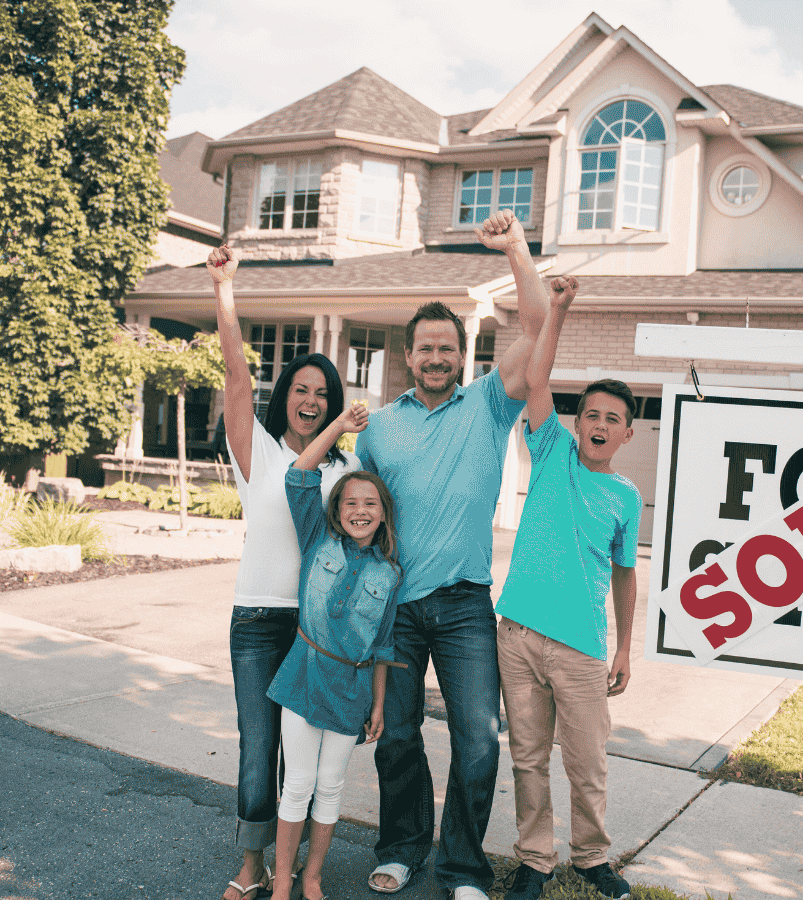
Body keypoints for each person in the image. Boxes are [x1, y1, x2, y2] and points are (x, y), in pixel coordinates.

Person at [354, 210, 558, 900]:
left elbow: (538, 327)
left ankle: (464, 869)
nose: (436, 358)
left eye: (447, 348)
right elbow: (359, 518)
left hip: (467, 605)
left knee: (478, 740)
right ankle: (402, 848)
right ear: (408, 356)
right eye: (425, 349)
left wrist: (517, 249)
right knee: (396, 737)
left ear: (461, 356)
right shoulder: (379, 429)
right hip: (396, 607)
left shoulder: (490, 405)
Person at [209, 245, 361, 900]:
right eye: (301, 389)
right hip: (256, 620)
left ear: (333, 406)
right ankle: (253, 863)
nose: (310, 400)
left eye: (322, 394)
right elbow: (236, 378)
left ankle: (296, 862)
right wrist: (225, 290)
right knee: (258, 746)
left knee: (305, 760)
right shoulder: (259, 453)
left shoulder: (345, 469)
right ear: (286, 397)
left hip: (317, 631)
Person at [494, 309, 642, 900]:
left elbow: (626, 575)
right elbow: (537, 378)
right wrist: (557, 310)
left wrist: (625, 648)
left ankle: (591, 858)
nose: (601, 425)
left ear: (627, 434)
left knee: (587, 763)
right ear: (577, 424)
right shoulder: (552, 450)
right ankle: (535, 861)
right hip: (519, 635)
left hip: (582, 647)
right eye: (593, 415)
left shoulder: (626, 497)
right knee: (527, 758)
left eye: (613, 419)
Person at [266, 402, 403, 900]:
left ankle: (313, 877)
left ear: (383, 513)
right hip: (303, 676)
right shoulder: (316, 538)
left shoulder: (390, 573)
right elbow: (299, 477)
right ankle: (283, 880)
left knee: (329, 786)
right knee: (298, 783)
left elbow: (383, 644)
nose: (360, 511)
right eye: (350, 503)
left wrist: (379, 703)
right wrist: (339, 427)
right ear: (336, 510)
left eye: (370, 503)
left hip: (352, 690)